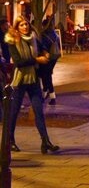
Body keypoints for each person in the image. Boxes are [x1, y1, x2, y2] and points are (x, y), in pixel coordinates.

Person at [5, 16, 59, 154]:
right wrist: (36, 59)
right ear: (17, 27)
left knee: (39, 111)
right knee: (14, 111)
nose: (25, 27)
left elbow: (42, 47)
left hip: (33, 79)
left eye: (26, 24)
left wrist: (45, 52)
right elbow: (18, 62)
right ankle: (10, 140)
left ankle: (45, 141)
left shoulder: (33, 38)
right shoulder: (13, 41)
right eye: (22, 25)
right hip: (20, 80)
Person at [37, 16, 62, 105]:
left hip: (46, 58)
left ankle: (51, 97)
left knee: (46, 77)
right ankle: (45, 95)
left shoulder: (44, 35)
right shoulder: (55, 34)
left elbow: (43, 47)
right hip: (54, 58)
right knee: (46, 76)